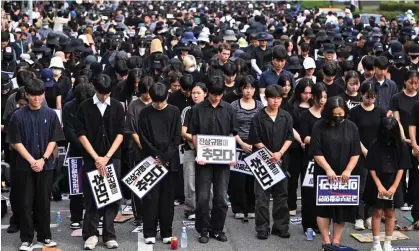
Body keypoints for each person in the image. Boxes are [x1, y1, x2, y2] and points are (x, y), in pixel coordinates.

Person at [6, 78, 65, 251]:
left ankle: (45, 236)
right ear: (27, 95)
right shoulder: (18, 116)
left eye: (39, 95)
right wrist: (32, 161)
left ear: (43, 94)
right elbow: (15, 142)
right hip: (25, 167)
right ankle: (26, 238)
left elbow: (54, 139)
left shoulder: (51, 114)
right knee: (25, 204)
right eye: (33, 96)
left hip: (46, 166)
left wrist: (43, 159)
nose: (37, 99)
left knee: (44, 203)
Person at [75, 74, 125, 250]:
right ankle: (91, 234)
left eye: (108, 93)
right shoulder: (85, 107)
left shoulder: (117, 106)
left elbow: (121, 133)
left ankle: (109, 234)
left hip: (112, 158)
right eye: (102, 93)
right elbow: (81, 134)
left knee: (112, 198)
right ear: (94, 89)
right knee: (91, 198)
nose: (105, 97)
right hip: (92, 159)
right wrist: (97, 158)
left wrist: (107, 157)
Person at [187, 76, 238, 244]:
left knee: (221, 197)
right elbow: (194, 134)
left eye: (220, 94)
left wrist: (232, 155)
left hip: (223, 161)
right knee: (202, 198)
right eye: (214, 94)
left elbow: (232, 133)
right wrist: (199, 153)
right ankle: (203, 229)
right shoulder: (197, 109)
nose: (216, 98)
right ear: (207, 92)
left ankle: (217, 229)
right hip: (204, 160)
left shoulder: (229, 109)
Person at [310, 96, 361, 249]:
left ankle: (336, 241)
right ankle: (325, 241)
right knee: (324, 209)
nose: (338, 117)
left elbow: (355, 151)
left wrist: (348, 170)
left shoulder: (351, 127)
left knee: (341, 209)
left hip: (345, 174)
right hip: (324, 172)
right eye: (335, 114)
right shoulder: (319, 126)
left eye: (341, 114)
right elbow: (316, 151)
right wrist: (327, 169)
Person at [137, 82, 182, 244]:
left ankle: (166, 232)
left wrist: (165, 157)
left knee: (167, 198)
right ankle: (149, 232)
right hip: (150, 160)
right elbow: (143, 138)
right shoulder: (145, 112)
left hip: (169, 161)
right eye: (155, 102)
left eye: (161, 101)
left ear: (167, 97)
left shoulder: (174, 111)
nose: (158, 104)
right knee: (150, 198)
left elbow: (177, 137)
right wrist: (157, 156)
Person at [248, 84, 294, 240]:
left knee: (281, 194)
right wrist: (269, 154)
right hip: (262, 160)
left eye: (279, 98)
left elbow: (289, 137)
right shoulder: (258, 117)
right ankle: (262, 227)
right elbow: (255, 139)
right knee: (261, 196)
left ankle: (280, 226)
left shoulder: (286, 116)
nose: (276, 101)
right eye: (273, 98)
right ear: (266, 98)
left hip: (281, 160)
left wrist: (279, 153)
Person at [364, 117, 411, 251]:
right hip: (377, 179)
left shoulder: (401, 145)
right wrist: (378, 184)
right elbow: (371, 166)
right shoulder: (375, 144)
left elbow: (402, 167)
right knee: (377, 211)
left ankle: (388, 243)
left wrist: (395, 186)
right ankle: (376, 243)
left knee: (390, 213)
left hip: (394, 180)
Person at [349, 82, 386, 231]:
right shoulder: (355, 112)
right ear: (361, 95)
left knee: (373, 186)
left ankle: (370, 215)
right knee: (360, 186)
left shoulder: (381, 112)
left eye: (372, 97)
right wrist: (363, 150)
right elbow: (353, 134)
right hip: (360, 153)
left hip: (376, 153)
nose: (370, 100)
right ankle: (358, 216)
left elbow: (383, 133)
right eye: (367, 97)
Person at [230, 76, 264, 220]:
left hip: (255, 144)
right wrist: (242, 143)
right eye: (245, 88)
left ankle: (251, 207)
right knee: (238, 178)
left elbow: (262, 127)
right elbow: (231, 128)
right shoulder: (233, 105)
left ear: (255, 89)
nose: (248, 91)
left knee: (252, 178)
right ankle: (238, 207)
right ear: (241, 89)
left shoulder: (260, 105)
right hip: (237, 143)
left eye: (251, 88)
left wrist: (255, 143)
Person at [63, 83, 95, 230]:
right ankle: (76, 217)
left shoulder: (94, 104)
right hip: (76, 151)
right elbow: (69, 131)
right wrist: (84, 147)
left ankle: (96, 216)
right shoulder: (69, 107)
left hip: (95, 152)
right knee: (76, 187)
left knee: (96, 185)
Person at [299, 83, 328, 236]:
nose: (322, 101)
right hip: (310, 159)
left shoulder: (327, 114)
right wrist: (322, 139)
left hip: (326, 158)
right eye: (320, 97)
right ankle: (308, 223)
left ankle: (320, 223)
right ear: (313, 97)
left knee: (322, 192)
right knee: (309, 193)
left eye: (325, 97)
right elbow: (305, 137)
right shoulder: (305, 115)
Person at [126, 76, 154, 226]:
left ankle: (151, 213)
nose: (147, 96)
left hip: (155, 151)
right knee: (138, 183)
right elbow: (131, 128)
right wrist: (142, 144)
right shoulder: (134, 105)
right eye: (145, 93)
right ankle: (139, 215)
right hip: (138, 150)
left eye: (150, 93)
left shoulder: (157, 104)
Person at [389, 70, 419, 210]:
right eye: (411, 82)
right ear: (405, 82)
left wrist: (414, 142)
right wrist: (402, 136)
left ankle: (411, 199)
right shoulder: (397, 98)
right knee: (400, 168)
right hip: (401, 137)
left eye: (416, 83)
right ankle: (400, 199)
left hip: (416, 139)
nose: (413, 85)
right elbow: (397, 119)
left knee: (414, 170)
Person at [181, 82, 208, 221]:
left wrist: (204, 144)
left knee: (208, 182)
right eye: (193, 93)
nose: (195, 95)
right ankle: (190, 208)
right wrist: (198, 141)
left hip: (209, 151)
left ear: (205, 93)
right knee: (190, 181)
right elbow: (183, 132)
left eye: (198, 93)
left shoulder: (209, 109)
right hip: (190, 149)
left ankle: (206, 208)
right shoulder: (188, 110)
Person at [287, 78, 313, 216]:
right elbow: (290, 126)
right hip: (295, 146)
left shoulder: (314, 106)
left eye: (309, 93)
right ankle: (291, 205)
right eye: (304, 93)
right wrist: (301, 141)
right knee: (293, 178)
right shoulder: (291, 106)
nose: (307, 96)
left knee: (307, 178)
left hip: (311, 146)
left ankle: (306, 204)